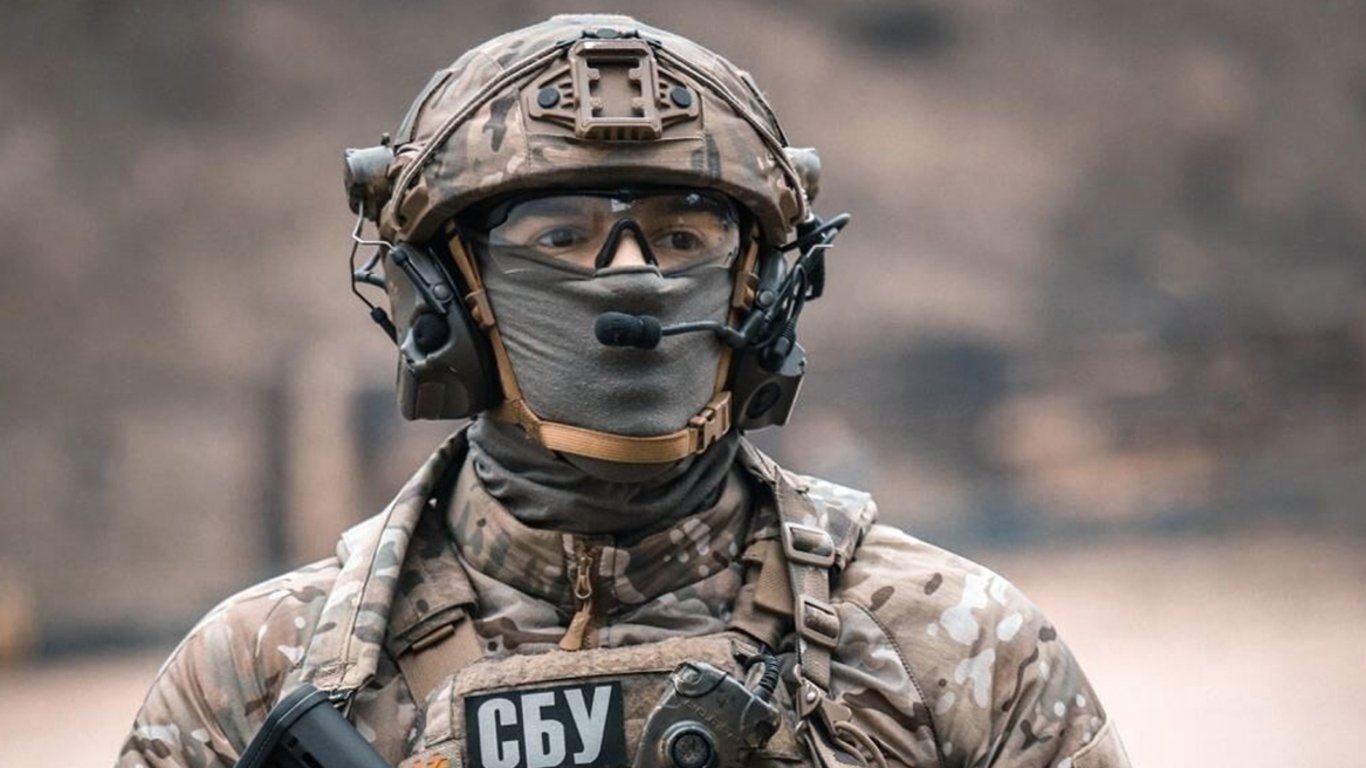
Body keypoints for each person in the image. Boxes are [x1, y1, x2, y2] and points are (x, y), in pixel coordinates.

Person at [120, 14, 1129, 768]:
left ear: (761, 293)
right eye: (562, 238)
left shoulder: (957, 649)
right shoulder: (257, 678)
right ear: (445, 303)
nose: (634, 281)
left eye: (684, 236)